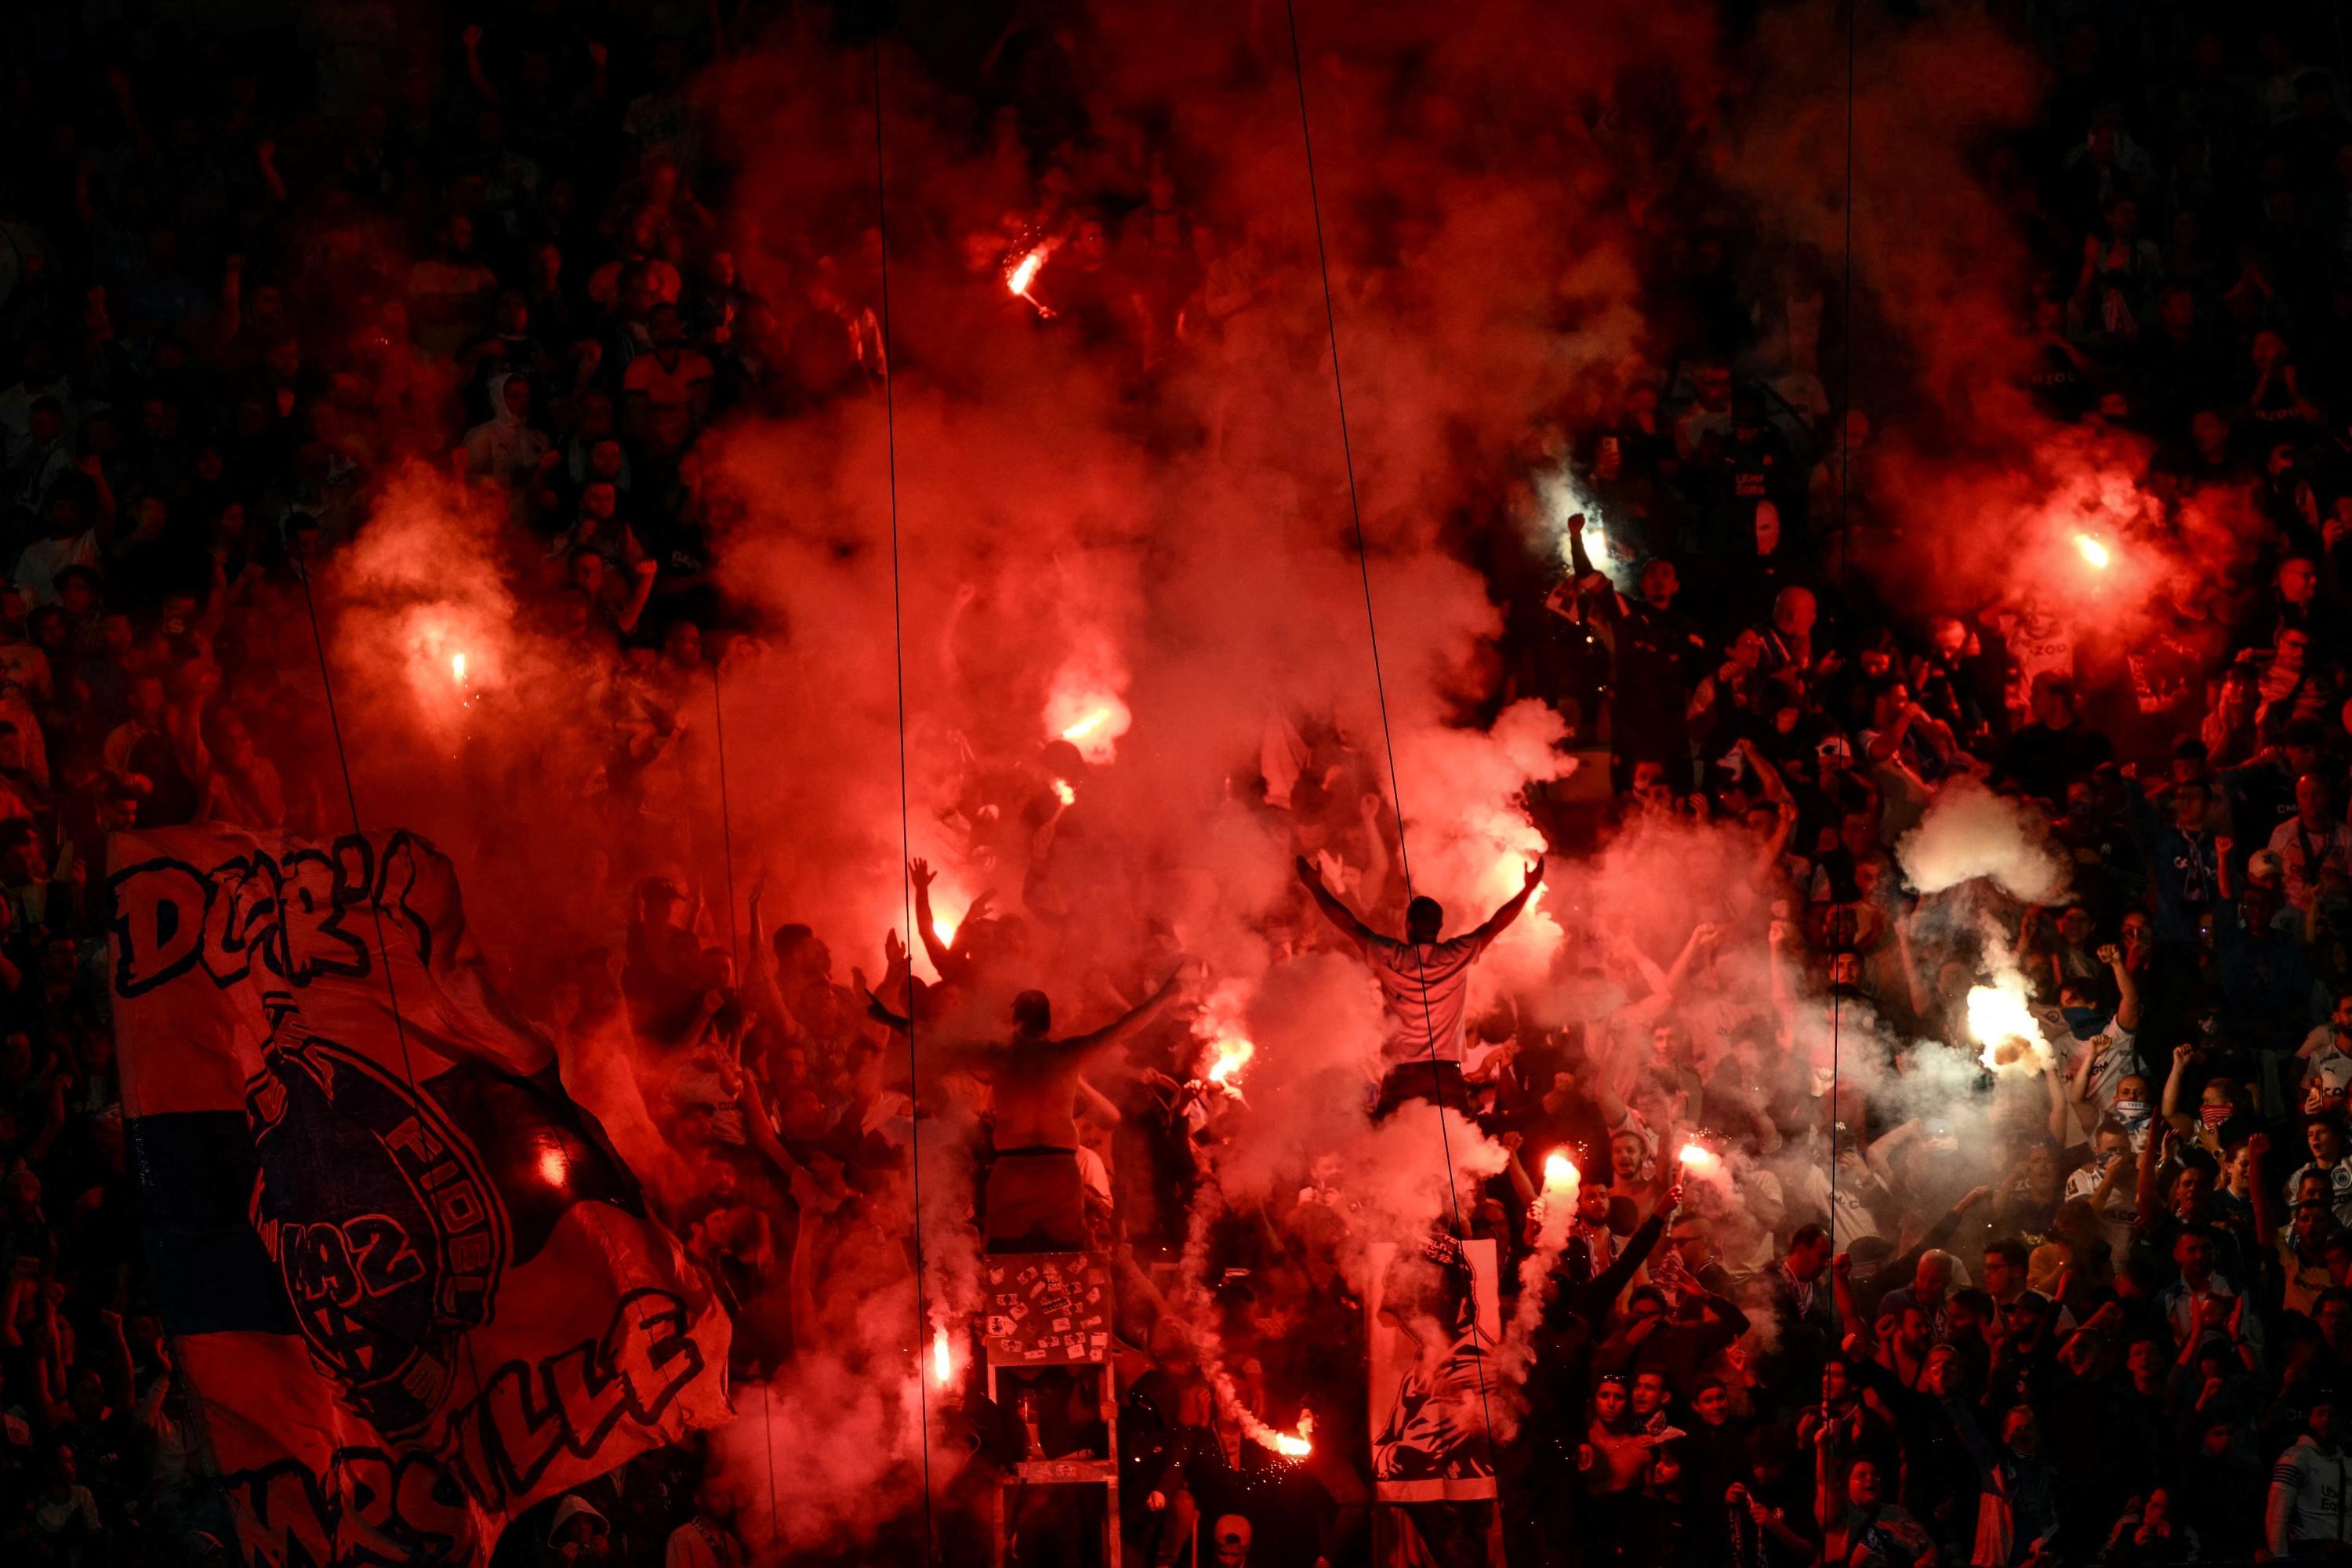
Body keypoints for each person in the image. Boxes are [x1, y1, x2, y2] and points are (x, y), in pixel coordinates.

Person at [1296, 853, 1544, 1116]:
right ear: (1439, 927)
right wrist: (1528, 889)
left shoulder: (1390, 954)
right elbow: (1496, 924)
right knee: (1458, 1152)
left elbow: (1350, 924)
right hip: (1445, 1077)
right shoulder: (1457, 953)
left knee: (1389, 1148)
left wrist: (1315, 887)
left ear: (1408, 925)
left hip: (1404, 1075)